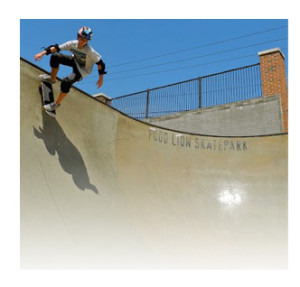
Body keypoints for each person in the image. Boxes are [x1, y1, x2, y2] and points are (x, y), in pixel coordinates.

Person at [34, 26, 106, 112]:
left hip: (82, 71)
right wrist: (42, 53)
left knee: (66, 82)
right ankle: (52, 79)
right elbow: (56, 48)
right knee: (55, 57)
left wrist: (101, 78)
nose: (82, 42)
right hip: (74, 60)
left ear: (87, 41)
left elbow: (100, 63)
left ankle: (56, 104)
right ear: (78, 36)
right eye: (81, 38)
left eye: (85, 40)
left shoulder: (90, 51)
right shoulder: (72, 44)